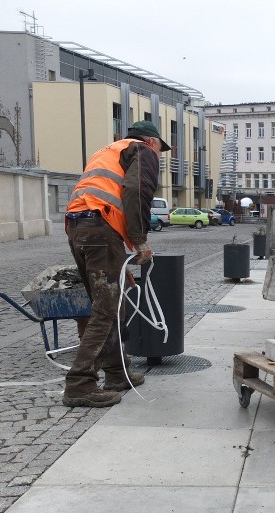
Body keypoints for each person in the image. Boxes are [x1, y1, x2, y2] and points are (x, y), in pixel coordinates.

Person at [62, 120, 170, 408]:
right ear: (150, 141)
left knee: (114, 301)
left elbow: (105, 201)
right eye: (160, 148)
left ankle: (116, 372)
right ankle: (80, 384)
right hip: (98, 228)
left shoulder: (108, 150)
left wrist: (119, 261)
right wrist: (139, 242)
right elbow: (137, 192)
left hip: (79, 227)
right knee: (106, 308)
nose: (160, 155)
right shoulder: (141, 151)